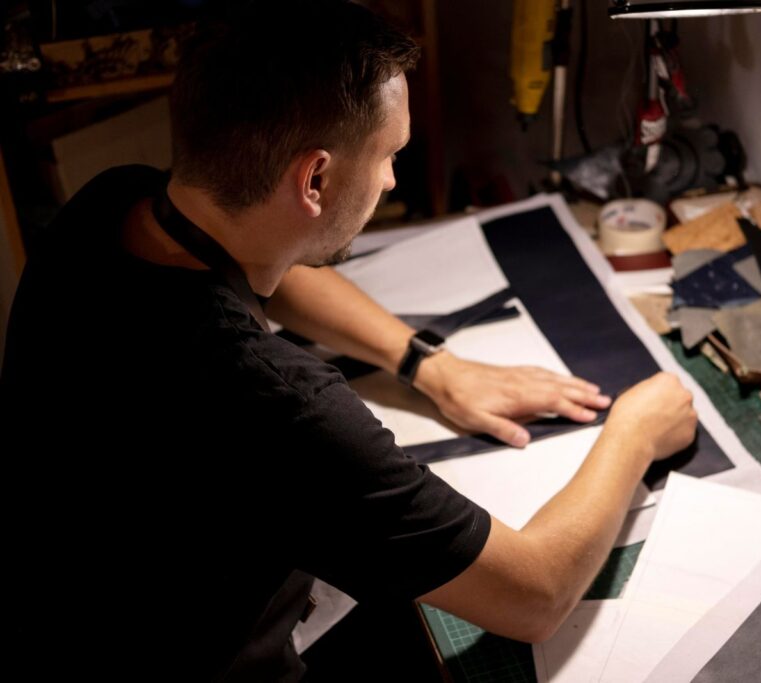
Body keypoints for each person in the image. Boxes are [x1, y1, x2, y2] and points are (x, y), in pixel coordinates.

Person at [1, 2, 697, 680]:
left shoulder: (110, 206)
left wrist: (425, 362)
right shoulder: (273, 402)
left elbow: (266, 262)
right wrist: (634, 432)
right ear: (315, 178)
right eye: (389, 154)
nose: (392, 177)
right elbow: (535, 594)